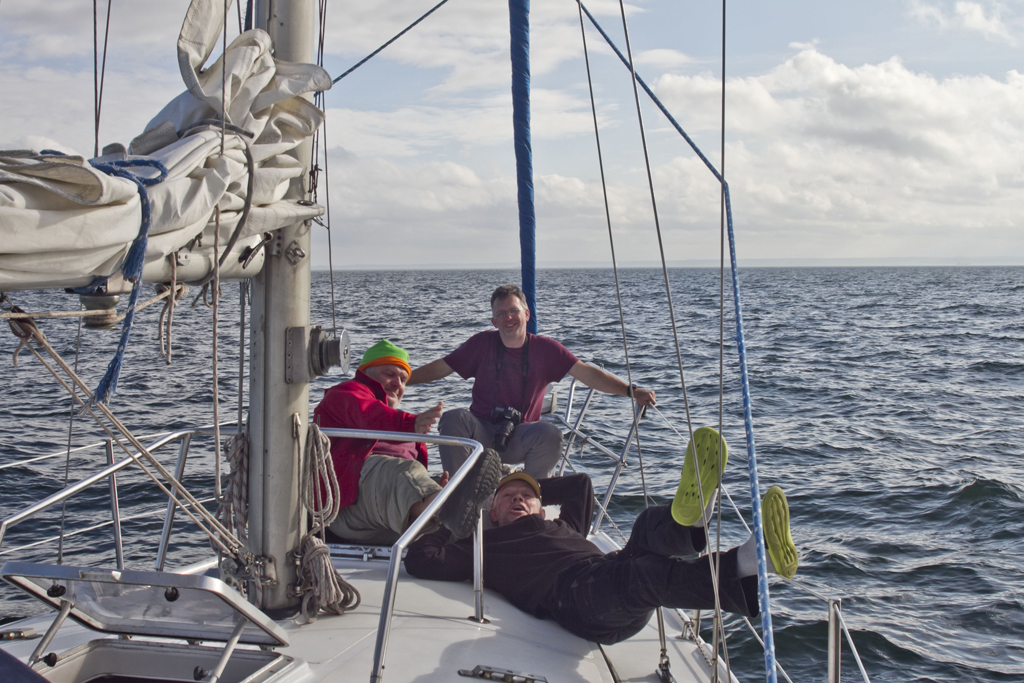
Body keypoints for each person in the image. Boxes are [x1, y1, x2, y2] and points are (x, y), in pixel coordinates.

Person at [404, 429, 799, 645]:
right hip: (576, 601)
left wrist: (521, 487)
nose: (519, 499)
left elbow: (579, 485)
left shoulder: (565, 527)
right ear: (492, 512)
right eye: (509, 497)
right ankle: (747, 563)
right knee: (642, 574)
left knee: (645, 527)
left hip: (604, 571)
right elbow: (421, 559)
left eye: (527, 496)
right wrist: (455, 512)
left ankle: (691, 524)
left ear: (541, 507)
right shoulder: (483, 548)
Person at [408, 283, 657, 479]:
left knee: (551, 433)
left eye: (514, 311)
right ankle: (461, 494)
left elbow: (587, 374)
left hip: (521, 435)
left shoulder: (546, 349)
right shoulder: (481, 343)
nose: (508, 318)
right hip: (481, 431)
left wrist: (631, 391)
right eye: (501, 314)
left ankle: (529, 494)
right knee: (453, 418)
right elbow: (442, 367)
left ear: (526, 314)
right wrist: (402, 380)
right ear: (494, 321)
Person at [313, 339, 500, 544]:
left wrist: (429, 488)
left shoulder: (399, 424)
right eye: (389, 374)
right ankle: (444, 505)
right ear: (366, 373)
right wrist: (411, 424)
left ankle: (439, 507)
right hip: (344, 509)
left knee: (443, 524)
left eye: (403, 379)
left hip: (391, 522)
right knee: (404, 471)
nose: (398, 384)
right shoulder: (345, 394)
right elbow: (368, 415)